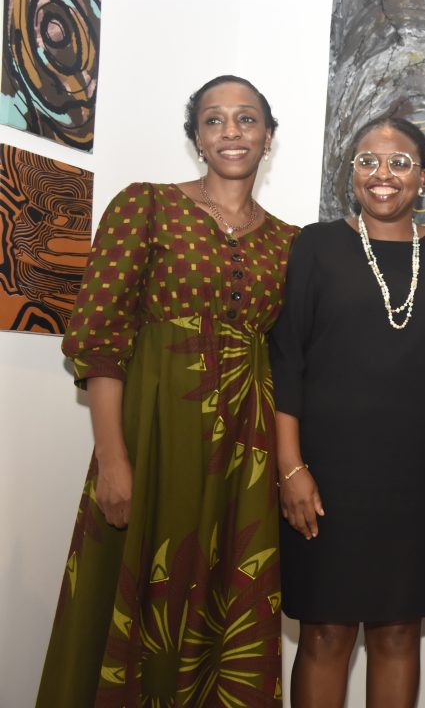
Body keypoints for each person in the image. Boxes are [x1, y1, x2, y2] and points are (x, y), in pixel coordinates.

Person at [37, 75, 298, 706]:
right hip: (153, 438)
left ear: (268, 137)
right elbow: (100, 339)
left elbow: (293, 359)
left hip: (244, 457)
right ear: (196, 138)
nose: (231, 131)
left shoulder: (291, 242)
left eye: (246, 119)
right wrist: (113, 458)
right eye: (214, 119)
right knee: (141, 604)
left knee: (225, 604)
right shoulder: (145, 206)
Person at [268, 115, 425, 708]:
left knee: (398, 632)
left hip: (416, 480)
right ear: (350, 172)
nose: (383, 175)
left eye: (400, 163)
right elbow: (287, 363)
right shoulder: (317, 245)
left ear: (424, 177)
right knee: (325, 633)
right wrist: (291, 468)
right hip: (326, 478)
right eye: (368, 161)